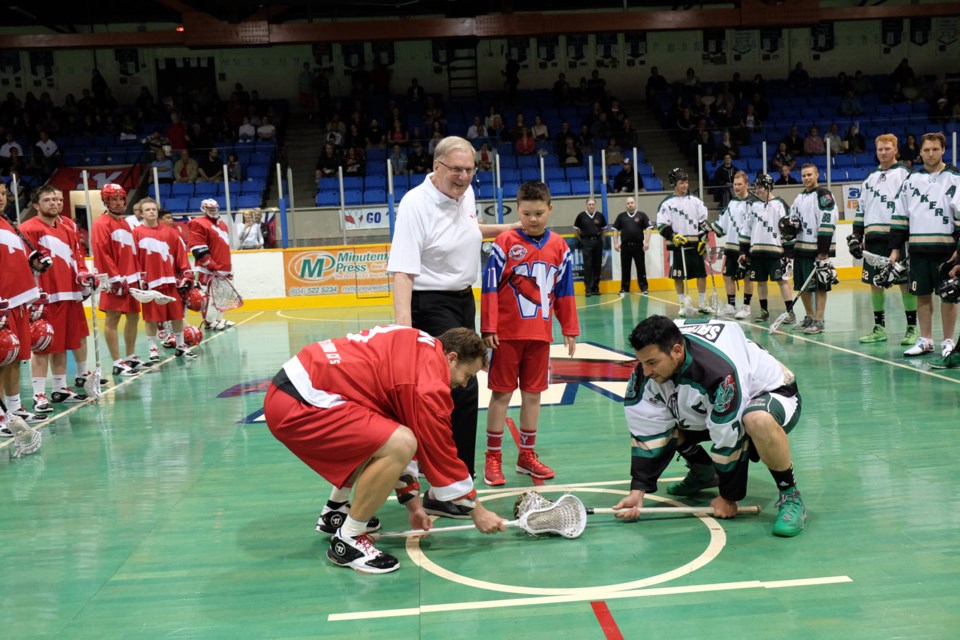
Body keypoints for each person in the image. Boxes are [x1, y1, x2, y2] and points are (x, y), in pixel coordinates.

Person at [265, 325, 506, 574]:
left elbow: (399, 432)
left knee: (382, 435)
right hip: (302, 402)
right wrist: (478, 512)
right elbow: (439, 453)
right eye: (467, 375)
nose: (465, 385)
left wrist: (413, 506)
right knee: (399, 442)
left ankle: (335, 511)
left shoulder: (419, 343)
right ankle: (349, 540)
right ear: (452, 358)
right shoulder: (428, 383)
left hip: (296, 387)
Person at [386, 136, 517, 516]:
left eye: (469, 170)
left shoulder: (466, 194)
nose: (462, 177)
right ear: (437, 167)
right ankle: (450, 488)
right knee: (460, 384)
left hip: (463, 299)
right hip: (430, 301)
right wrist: (404, 333)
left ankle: (451, 479)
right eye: (455, 169)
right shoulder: (416, 204)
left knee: (455, 389)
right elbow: (402, 272)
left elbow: (469, 230)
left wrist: (514, 227)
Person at [612, 315, 807, 538]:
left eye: (652, 363)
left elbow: (729, 436)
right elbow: (647, 426)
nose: (645, 371)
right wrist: (639, 489)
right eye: (642, 362)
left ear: (676, 351)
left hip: (772, 392)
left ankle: (790, 494)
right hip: (718, 397)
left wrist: (729, 496)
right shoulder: (647, 371)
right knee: (667, 413)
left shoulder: (718, 372)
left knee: (755, 419)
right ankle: (703, 471)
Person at [480, 181, 579, 486]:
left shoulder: (560, 246)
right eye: (526, 213)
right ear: (517, 210)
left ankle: (526, 455)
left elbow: (564, 291)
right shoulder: (505, 242)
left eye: (538, 213)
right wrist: (489, 326)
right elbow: (490, 287)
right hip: (507, 335)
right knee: (501, 394)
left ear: (550, 209)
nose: (533, 219)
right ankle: (493, 458)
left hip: (540, 336)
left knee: (533, 396)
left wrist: (570, 328)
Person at [19, 186, 95, 413]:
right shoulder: (27, 229)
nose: (54, 203)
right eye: (47, 200)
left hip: (69, 293)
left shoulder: (68, 226)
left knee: (62, 343)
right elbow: (24, 265)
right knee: (43, 344)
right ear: (36, 205)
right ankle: (39, 394)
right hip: (45, 296)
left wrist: (84, 274)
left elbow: (77, 256)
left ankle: (60, 388)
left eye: (56, 199)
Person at [889, 132, 960, 366]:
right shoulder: (910, 180)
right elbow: (900, 216)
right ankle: (925, 339)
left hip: (947, 250)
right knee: (921, 295)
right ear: (920, 152)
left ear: (943, 150)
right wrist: (895, 249)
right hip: (918, 249)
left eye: (935, 149)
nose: (930, 153)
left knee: (949, 296)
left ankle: (948, 341)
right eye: (926, 149)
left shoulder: (955, 178)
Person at [853, 134, 917, 347]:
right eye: (880, 149)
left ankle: (912, 328)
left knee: (903, 283)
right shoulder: (869, 177)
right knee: (874, 284)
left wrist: (902, 238)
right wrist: (857, 235)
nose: (883, 152)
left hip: (896, 236)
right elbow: (861, 208)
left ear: (896, 149)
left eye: (887, 149)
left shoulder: (905, 174)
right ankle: (879, 328)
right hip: (873, 238)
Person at [0, 180, 47, 432]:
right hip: (2, 303)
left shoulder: (8, 223)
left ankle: (14, 407)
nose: (1, 198)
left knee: (14, 356)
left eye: (3, 194)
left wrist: (35, 266)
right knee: (1, 358)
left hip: (17, 301)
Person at [91, 183, 149, 376]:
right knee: (113, 317)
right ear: (106, 201)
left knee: (133, 316)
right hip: (115, 280)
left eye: (120, 198)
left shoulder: (124, 223)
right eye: (113, 198)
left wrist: (139, 274)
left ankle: (130, 357)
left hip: (130, 279)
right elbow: (101, 252)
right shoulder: (101, 223)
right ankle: (117, 361)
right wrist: (114, 278)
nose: (118, 202)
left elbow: (132, 252)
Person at [133, 198, 197, 361]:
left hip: (170, 281)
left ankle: (181, 346)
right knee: (151, 318)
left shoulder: (170, 232)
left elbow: (180, 255)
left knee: (176, 315)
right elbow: (134, 258)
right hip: (150, 284)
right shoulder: (136, 233)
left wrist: (186, 272)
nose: (151, 212)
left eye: (153, 209)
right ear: (141, 213)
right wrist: (139, 276)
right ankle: (153, 349)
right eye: (147, 210)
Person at [738, 174, 796, 323]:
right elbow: (746, 229)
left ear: (768, 187)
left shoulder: (779, 204)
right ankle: (764, 311)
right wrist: (743, 251)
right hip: (757, 252)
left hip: (776, 252)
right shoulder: (753, 206)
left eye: (760, 187)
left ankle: (790, 312)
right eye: (756, 187)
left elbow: (788, 228)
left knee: (782, 281)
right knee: (760, 282)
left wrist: (789, 252)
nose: (756, 190)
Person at [788, 164, 838, 334]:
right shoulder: (799, 197)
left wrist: (823, 252)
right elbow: (791, 223)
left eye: (809, 174)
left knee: (820, 286)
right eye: (803, 175)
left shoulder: (824, 195)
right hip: (801, 248)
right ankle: (809, 316)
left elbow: (828, 220)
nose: (806, 178)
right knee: (802, 286)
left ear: (817, 175)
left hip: (816, 249)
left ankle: (819, 319)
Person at [657, 168, 713, 316]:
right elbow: (662, 225)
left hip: (695, 244)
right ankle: (682, 303)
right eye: (681, 183)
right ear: (674, 184)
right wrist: (673, 236)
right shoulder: (667, 203)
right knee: (678, 276)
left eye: (686, 182)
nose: (684, 185)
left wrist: (703, 238)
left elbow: (704, 223)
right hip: (678, 245)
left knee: (701, 274)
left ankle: (702, 303)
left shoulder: (696, 202)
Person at [712, 171, 756, 318]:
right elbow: (722, 225)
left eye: (739, 184)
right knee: (727, 276)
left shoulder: (753, 203)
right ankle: (731, 305)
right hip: (731, 246)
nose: (736, 187)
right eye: (735, 184)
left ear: (746, 185)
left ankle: (746, 306)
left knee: (747, 276)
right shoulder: (732, 203)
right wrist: (708, 229)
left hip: (745, 247)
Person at [188, 199, 235, 332]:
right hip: (208, 268)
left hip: (223, 266)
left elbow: (223, 247)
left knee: (221, 294)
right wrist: (209, 263)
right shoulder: (198, 223)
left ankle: (218, 318)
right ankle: (209, 321)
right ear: (204, 209)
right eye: (210, 209)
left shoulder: (223, 225)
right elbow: (196, 246)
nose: (213, 211)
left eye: (215, 209)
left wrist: (227, 267)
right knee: (208, 295)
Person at [612, 197, 652, 295]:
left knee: (641, 267)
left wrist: (646, 242)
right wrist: (616, 243)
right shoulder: (621, 216)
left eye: (632, 202)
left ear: (635, 203)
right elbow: (615, 230)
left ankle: (644, 288)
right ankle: (625, 289)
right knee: (625, 268)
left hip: (638, 246)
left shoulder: (642, 215)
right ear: (626, 205)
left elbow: (649, 228)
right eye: (628, 203)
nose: (630, 204)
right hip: (625, 246)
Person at [572, 198, 605, 297]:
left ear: (595, 205)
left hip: (597, 242)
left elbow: (603, 230)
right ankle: (588, 289)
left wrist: (599, 239)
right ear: (586, 205)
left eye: (593, 204)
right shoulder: (581, 216)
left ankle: (596, 288)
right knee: (588, 266)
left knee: (597, 266)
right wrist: (582, 240)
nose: (591, 206)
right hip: (586, 242)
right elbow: (575, 229)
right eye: (589, 204)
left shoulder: (600, 216)